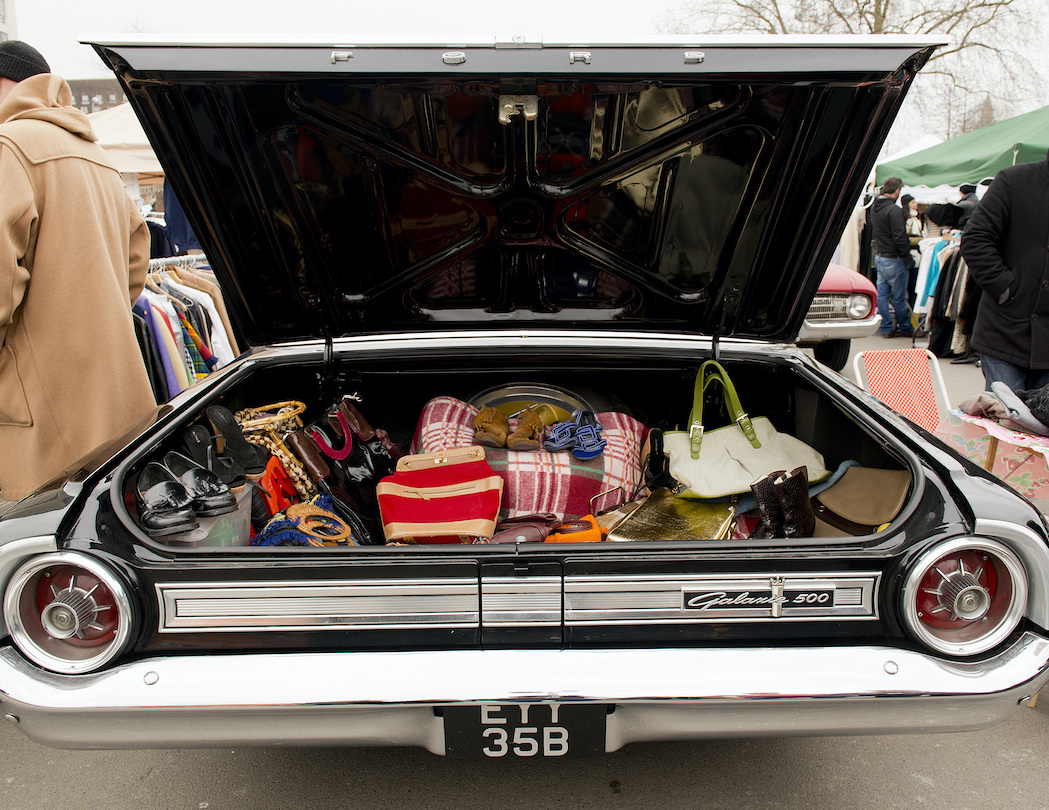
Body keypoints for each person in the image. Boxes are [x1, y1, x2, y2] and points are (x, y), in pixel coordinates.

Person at [0, 41, 157, 506]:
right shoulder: (98, 156)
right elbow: (135, 268)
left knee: (24, 559)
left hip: (37, 427)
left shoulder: (9, 148)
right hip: (115, 414)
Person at [961, 153, 1049, 391]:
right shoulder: (1015, 179)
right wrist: (1004, 287)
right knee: (1004, 423)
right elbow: (975, 239)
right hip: (1004, 330)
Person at [870, 177, 920, 338]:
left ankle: (886, 328)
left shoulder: (875, 207)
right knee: (899, 297)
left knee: (883, 295)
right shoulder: (894, 210)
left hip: (881, 256)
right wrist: (907, 257)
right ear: (897, 190)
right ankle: (905, 327)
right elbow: (900, 237)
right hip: (894, 258)